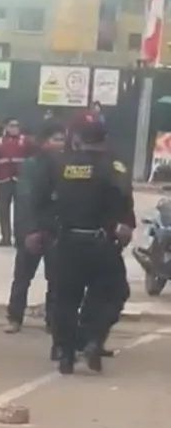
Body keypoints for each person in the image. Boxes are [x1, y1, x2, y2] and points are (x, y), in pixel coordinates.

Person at [27, 111, 133, 375]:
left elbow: (39, 200)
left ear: (76, 137)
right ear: (105, 137)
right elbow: (124, 202)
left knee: (65, 299)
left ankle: (65, 351)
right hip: (102, 244)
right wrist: (125, 226)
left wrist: (39, 230)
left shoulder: (59, 163)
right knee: (112, 294)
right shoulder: (115, 165)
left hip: (66, 242)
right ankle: (91, 339)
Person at [5, 120, 65, 339]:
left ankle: (53, 320)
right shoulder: (31, 165)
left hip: (55, 230)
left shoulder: (66, 166)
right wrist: (28, 231)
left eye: (62, 139)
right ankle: (14, 317)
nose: (60, 144)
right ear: (43, 142)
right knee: (22, 277)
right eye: (56, 139)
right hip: (33, 230)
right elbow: (24, 199)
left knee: (56, 279)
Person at [0, 117, 30, 247]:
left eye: (17, 125)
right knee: (4, 210)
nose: (14, 128)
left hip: (20, 180)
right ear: (6, 127)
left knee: (20, 211)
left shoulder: (25, 142)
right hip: (3, 179)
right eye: (12, 125)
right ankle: (6, 238)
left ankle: (19, 238)